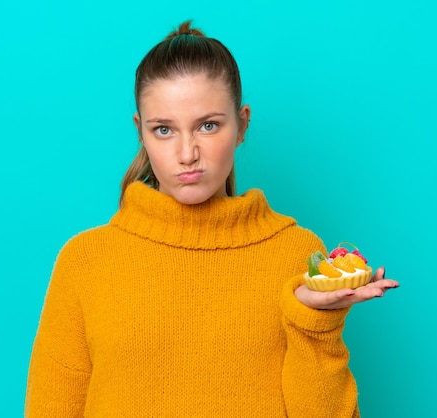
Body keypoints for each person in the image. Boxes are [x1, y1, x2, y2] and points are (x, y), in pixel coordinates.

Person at [25, 20, 399, 417]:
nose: (187, 153)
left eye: (208, 125)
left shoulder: (298, 255)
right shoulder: (86, 261)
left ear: (242, 125)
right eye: (164, 129)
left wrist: (315, 324)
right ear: (140, 131)